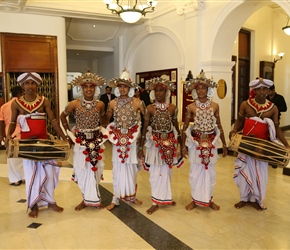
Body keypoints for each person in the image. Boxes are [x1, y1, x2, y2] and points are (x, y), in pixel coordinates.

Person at [5, 72, 69, 218]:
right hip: (28, 146)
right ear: (22, 86)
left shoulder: (44, 101)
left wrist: (64, 137)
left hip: (45, 144)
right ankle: (33, 204)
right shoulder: (16, 103)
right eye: (27, 83)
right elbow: (13, 122)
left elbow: (53, 121)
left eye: (33, 83)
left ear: (37, 85)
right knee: (32, 174)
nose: (30, 86)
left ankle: (50, 201)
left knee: (50, 173)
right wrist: (8, 136)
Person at [229, 78, 290, 211]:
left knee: (260, 174)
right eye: (258, 89)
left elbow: (277, 128)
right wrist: (234, 130)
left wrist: (286, 145)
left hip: (262, 148)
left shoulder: (273, 109)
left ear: (268, 91)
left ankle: (256, 199)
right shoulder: (245, 104)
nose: (261, 92)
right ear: (254, 91)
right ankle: (244, 198)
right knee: (244, 170)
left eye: (264, 89)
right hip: (246, 144)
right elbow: (239, 121)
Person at [60, 71, 108, 211]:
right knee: (81, 171)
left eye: (91, 87)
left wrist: (104, 132)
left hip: (96, 141)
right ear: (81, 88)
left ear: (95, 88)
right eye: (85, 86)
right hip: (80, 142)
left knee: (97, 170)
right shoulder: (74, 104)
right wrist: (68, 133)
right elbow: (63, 117)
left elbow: (104, 120)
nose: (88, 89)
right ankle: (84, 199)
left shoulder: (100, 104)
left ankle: (95, 199)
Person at [181, 70, 227, 211]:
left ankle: (209, 199)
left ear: (208, 90)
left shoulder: (215, 106)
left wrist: (225, 144)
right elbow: (184, 127)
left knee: (210, 173)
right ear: (195, 91)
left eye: (204, 88)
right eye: (198, 88)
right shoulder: (191, 107)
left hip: (211, 143)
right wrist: (183, 146)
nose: (201, 90)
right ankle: (195, 200)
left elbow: (219, 125)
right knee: (195, 173)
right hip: (196, 143)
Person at [138, 77, 181, 215]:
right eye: (156, 91)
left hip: (169, 144)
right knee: (155, 173)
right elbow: (145, 128)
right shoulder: (149, 108)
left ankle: (166, 198)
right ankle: (155, 202)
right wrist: (141, 147)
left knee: (167, 173)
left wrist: (181, 145)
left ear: (166, 92)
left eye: (161, 90)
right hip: (154, 144)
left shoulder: (173, 108)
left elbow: (176, 128)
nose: (158, 93)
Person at [105, 69, 146, 210]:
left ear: (129, 88)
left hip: (132, 141)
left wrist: (142, 141)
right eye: (120, 86)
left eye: (125, 86)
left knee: (132, 169)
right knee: (117, 169)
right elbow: (106, 120)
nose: (122, 89)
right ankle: (115, 198)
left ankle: (132, 196)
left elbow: (146, 121)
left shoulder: (138, 103)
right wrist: (108, 134)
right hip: (118, 141)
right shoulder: (112, 103)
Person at [0, 86, 24, 186]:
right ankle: (24, 176)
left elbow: (1, 122)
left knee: (12, 157)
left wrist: (2, 136)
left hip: (10, 134)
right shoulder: (22, 105)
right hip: (22, 134)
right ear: (19, 95)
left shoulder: (4, 106)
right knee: (23, 156)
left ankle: (15, 179)